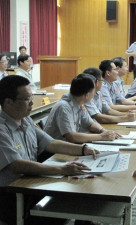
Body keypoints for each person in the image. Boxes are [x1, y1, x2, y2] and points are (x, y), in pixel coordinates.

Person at [0, 75, 99, 225]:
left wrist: (83, 149)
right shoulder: (2, 130)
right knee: (66, 205)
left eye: (32, 97)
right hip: (11, 195)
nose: (32, 103)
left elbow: (51, 143)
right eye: (27, 99)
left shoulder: (25, 120)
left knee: (83, 197)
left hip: (31, 184)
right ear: (8, 102)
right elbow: (17, 165)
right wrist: (62, 169)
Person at [44, 73, 120, 143]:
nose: (94, 94)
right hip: (53, 152)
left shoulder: (79, 103)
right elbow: (71, 136)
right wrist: (101, 136)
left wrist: (103, 131)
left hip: (68, 146)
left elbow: (90, 124)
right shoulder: (64, 107)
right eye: (94, 91)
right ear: (87, 95)